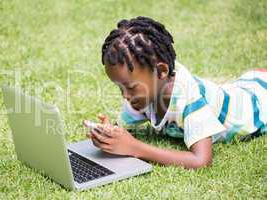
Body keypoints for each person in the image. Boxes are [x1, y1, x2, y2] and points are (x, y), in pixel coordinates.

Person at [85, 16, 267, 169]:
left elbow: (201, 160)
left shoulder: (187, 98)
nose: (124, 95)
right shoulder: (140, 96)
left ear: (162, 71)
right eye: (120, 87)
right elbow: (123, 130)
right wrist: (108, 136)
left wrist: (135, 148)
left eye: (130, 87)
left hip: (256, 106)